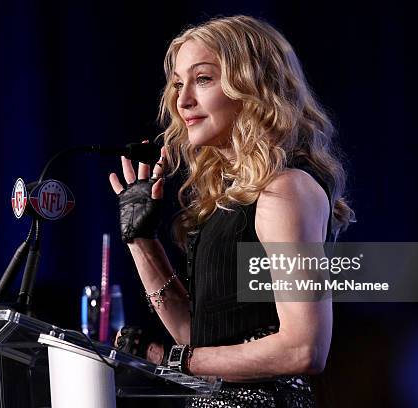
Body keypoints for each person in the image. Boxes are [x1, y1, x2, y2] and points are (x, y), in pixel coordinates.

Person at [109, 15, 354, 408]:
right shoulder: (229, 200)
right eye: (177, 84)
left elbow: (304, 348)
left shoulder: (285, 191)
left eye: (202, 79)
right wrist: (141, 241)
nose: (182, 100)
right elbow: (199, 342)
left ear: (253, 87)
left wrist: (169, 359)